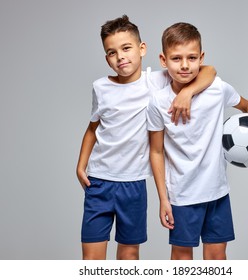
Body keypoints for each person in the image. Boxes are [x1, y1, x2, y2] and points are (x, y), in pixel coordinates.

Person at [76, 15, 216, 260]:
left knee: (129, 257)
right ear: (107, 58)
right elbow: (92, 128)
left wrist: (189, 92)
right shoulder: (100, 87)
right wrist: (80, 165)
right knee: (91, 260)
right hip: (99, 181)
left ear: (142, 49)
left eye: (126, 48)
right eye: (112, 52)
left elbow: (209, 70)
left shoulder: (156, 81)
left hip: (134, 184)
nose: (120, 57)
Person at [147, 22, 248, 260]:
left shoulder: (217, 89)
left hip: (217, 192)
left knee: (217, 258)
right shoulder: (158, 101)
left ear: (202, 58)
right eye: (176, 58)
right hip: (182, 195)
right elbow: (156, 151)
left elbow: (246, 106)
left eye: (192, 57)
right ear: (163, 60)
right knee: (181, 258)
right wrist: (163, 199)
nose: (185, 65)